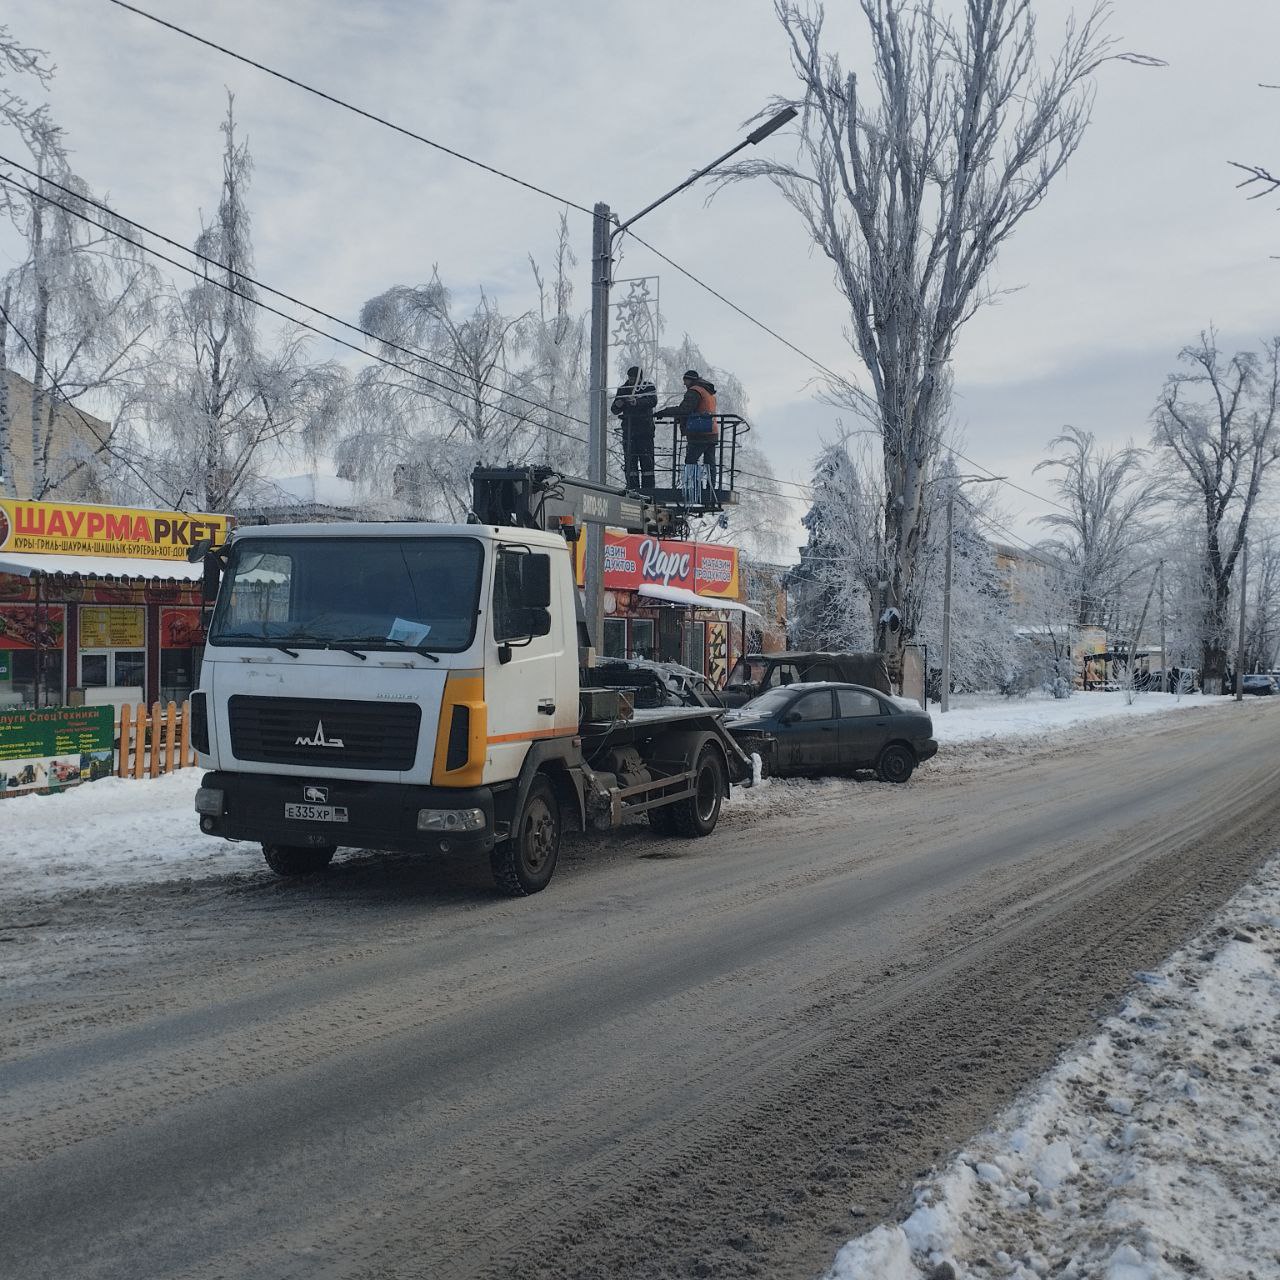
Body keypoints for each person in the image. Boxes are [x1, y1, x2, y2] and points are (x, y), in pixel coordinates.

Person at [655, 369, 718, 505]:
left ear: (690, 380)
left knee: (691, 460)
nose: (684, 384)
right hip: (711, 431)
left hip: (699, 432)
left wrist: (665, 412)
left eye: (685, 381)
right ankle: (711, 489)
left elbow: (685, 409)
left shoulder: (694, 391)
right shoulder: (708, 391)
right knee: (709, 462)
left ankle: (695, 489)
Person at [610, 366, 658, 493]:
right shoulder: (623, 389)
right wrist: (618, 404)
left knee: (646, 461)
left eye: (634, 378)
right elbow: (614, 409)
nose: (631, 380)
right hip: (629, 431)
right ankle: (632, 486)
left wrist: (637, 402)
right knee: (630, 461)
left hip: (645, 431)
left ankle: (648, 489)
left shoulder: (648, 387)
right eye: (630, 377)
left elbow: (653, 401)